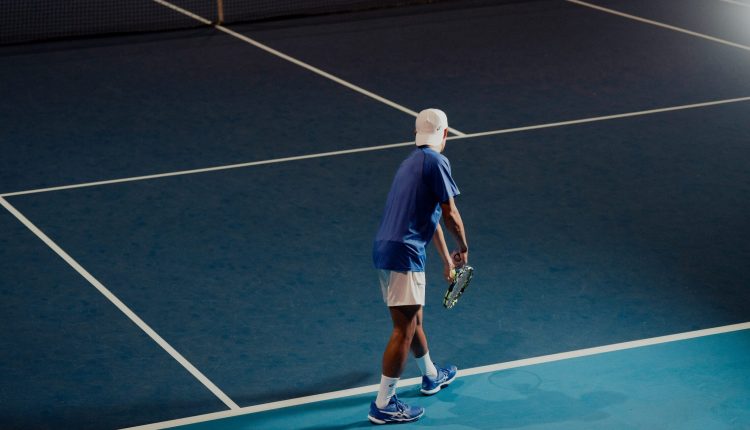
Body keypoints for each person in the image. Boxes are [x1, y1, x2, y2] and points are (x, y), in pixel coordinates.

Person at [368, 108, 470, 424]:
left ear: (416, 134)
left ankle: (430, 375)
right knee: (404, 329)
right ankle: (384, 403)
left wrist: (446, 259)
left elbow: (431, 217)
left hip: (388, 248)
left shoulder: (410, 164)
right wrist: (463, 246)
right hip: (404, 251)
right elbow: (450, 214)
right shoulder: (437, 162)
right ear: (445, 133)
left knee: (414, 319)